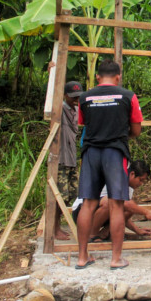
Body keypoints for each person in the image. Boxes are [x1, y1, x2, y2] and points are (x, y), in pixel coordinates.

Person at [75, 59, 143, 270]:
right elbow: (136, 130)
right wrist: (121, 135)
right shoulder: (128, 96)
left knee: (88, 203)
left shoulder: (84, 98)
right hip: (115, 153)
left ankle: (82, 257)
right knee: (116, 204)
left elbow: (84, 124)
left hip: (91, 153)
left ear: (97, 77)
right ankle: (116, 259)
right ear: (118, 77)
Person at [71, 160, 151, 241]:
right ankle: (91, 235)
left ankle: (104, 233)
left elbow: (123, 213)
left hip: (97, 212)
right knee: (109, 202)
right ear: (132, 174)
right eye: (140, 180)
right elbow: (124, 203)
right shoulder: (117, 178)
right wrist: (146, 212)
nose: (141, 184)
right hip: (81, 211)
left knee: (129, 208)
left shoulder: (129, 189)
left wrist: (137, 230)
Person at [55, 80, 83, 240]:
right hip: (60, 159)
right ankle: (55, 228)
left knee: (71, 194)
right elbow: (53, 101)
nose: (76, 99)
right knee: (60, 196)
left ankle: (59, 225)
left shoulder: (76, 110)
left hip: (71, 158)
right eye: (73, 97)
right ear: (65, 95)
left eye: (78, 96)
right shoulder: (60, 109)